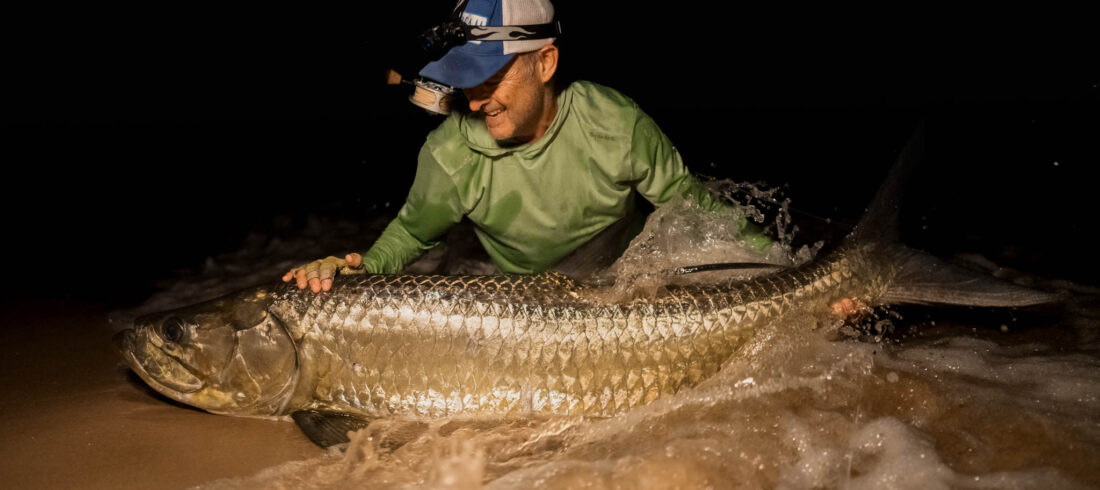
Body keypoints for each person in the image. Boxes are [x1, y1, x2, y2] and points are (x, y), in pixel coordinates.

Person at [284, 0, 772, 293]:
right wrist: (357, 272)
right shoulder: (448, 153)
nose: (475, 103)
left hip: (628, 286)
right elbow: (411, 235)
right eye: (465, 81)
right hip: (530, 303)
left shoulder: (617, 124)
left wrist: (787, 270)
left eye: (491, 78)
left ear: (545, 63)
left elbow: (696, 210)